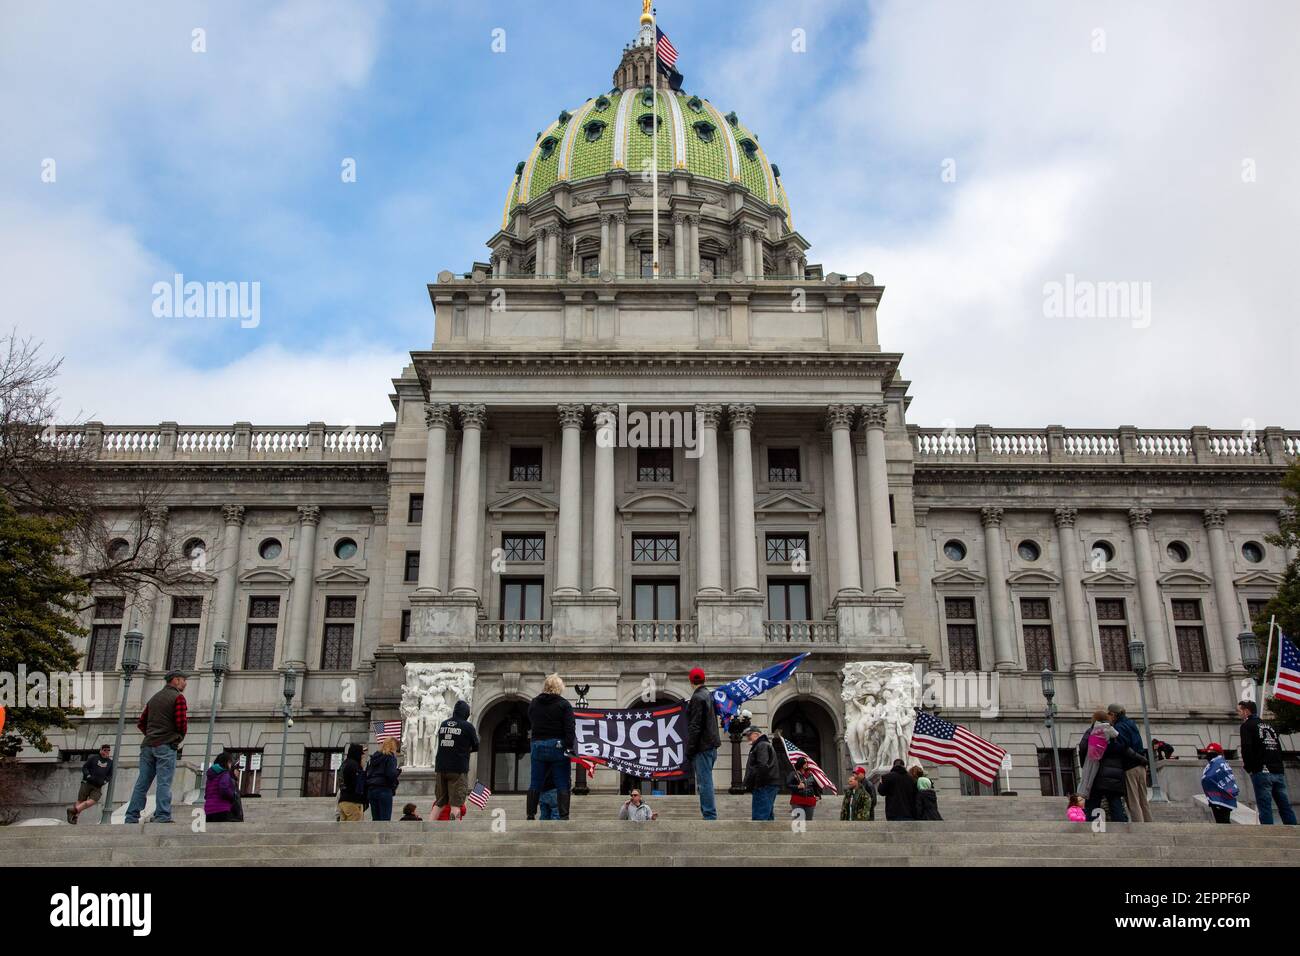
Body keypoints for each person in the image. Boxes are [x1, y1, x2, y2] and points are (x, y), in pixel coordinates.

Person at [123, 670, 189, 824]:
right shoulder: (178, 698)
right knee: (164, 782)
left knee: (142, 782)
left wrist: (152, 734)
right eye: (183, 680)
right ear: (176, 680)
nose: (185, 683)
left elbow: (141, 722)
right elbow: (181, 723)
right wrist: (177, 738)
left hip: (148, 744)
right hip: (165, 745)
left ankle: (131, 816)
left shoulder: (154, 698)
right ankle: (162, 815)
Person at [1238, 700, 1296, 825]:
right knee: (1284, 805)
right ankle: (1295, 833)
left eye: (1240, 711)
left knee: (1265, 806)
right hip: (1277, 771)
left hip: (1261, 771)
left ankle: (1268, 836)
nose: (1239, 714)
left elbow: (1246, 748)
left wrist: (1249, 767)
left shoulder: (1247, 726)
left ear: (1246, 711)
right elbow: (1278, 748)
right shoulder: (1270, 726)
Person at [527, 673, 575, 821]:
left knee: (535, 781)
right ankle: (564, 815)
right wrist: (569, 747)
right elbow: (569, 728)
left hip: (538, 745)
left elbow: (532, 720)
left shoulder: (534, 703)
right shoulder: (564, 704)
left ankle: (530, 814)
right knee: (562, 781)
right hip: (557, 745)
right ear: (559, 688)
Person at [1077, 724, 1142, 823]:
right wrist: (1143, 760)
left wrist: (1084, 765)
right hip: (1115, 776)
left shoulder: (1093, 733)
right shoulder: (1117, 736)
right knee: (1115, 802)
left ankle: (1092, 827)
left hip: (1097, 775)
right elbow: (1128, 751)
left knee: (1093, 802)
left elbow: (1084, 747)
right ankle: (1121, 828)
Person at [433, 699, 479, 821]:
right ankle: (454, 829)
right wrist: (465, 749)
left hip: (441, 767)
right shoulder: (467, 726)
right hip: (458, 768)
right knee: (456, 803)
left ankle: (429, 825)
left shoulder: (443, 724)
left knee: (439, 802)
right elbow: (476, 745)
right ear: (466, 713)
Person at [685, 667, 721, 821]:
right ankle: (708, 814)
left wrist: (690, 749)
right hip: (711, 746)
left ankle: (709, 815)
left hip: (702, 747)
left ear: (690, 681)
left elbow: (695, 726)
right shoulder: (708, 696)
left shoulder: (698, 698)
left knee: (704, 782)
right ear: (704, 680)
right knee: (705, 781)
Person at [1108, 703, 1152, 823]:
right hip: (1141, 764)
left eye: (1109, 715)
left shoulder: (1119, 727)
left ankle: (1139, 828)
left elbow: (1123, 746)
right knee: (1143, 799)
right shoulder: (1131, 724)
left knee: (1133, 800)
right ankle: (1150, 825)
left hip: (1129, 766)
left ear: (1113, 714)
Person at [742, 726, 781, 821]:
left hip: (763, 785)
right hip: (768, 784)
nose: (747, 738)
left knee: (759, 817)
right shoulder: (764, 745)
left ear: (756, 734)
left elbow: (762, 766)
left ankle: (758, 836)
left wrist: (757, 784)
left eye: (749, 735)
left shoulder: (761, 745)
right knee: (767, 816)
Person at [68, 744, 113, 824]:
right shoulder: (94, 758)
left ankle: (73, 811)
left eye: (108, 750)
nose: (106, 752)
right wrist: (88, 776)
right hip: (87, 783)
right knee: (81, 800)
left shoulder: (110, 762)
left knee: (93, 800)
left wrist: (104, 781)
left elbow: (110, 775)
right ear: (101, 750)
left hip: (98, 786)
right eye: (105, 750)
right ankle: (75, 818)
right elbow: (85, 767)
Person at [1079, 709, 1118, 800]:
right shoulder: (1110, 728)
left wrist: (1082, 761)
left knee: (1089, 780)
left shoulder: (1092, 730)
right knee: (1112, 801)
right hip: (1107, 765)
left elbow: (1083, 746)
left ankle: (1085, 792)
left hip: (1092, 759)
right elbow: (1117, 739)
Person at [1201, 742, 1238, 824]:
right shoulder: (1222, 763)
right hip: (1223, 794)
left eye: (1209, 753)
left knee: (1222, 821)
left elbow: (1207, 777)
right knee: (1223, 820)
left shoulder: (1217, 763)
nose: (1207, 756)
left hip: (1219, 796)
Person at [366, 737, 401, 821]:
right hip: (384, 789)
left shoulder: (374, 757)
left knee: (376, 819)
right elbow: (391, 774)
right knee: (385, 820)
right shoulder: (390, 757)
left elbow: (368, 772)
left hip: (371, 789)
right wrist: (398, 772)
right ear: (394, 746)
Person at [203, 751, 240, 823]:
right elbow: (224, 789)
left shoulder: (210, 775)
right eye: (230, 762)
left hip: (209, 809)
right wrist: (233, 796)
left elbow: (206, 792)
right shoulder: (225, 774)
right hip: (222, 808)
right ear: (226, 762)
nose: (230, 765)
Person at [337, 743, 367, 821]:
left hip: (343, 800)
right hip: (352, 801)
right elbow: (359, 784)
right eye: (361, 754)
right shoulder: (354, 765)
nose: (363, 756)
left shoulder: (344, 764)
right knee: (353, 829)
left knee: (344, 829)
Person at [787, 756, 822, 821]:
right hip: (797, 800)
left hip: (810, 800)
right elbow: (788, 785)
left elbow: (815, 787)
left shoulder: (811, 775)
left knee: (809, 821)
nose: (807, 764)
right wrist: (797, 786)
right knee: (799, 822)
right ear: (800, 763)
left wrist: (818, 795)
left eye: (807, 762)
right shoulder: (793, 774)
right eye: (805, 762)